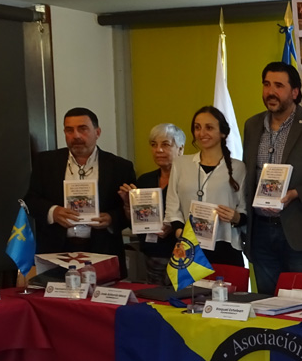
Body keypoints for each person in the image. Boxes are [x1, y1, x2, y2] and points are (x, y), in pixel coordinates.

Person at [242, 61, 302, 294]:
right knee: (266, 302)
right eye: (266, 84)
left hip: (300, 232)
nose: (270, 91)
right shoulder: (252, 125)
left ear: (295, 92)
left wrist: (298, 193)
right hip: (260, 232)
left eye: (279, 86)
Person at [26, 107, 136, 278]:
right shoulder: (46, 162)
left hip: (102, 250)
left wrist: (111, 218)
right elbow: (31, 200)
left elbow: (130, 210)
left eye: (83, 129)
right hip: (56, 251)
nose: (76, 135)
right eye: (69, 130)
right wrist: (53, 212)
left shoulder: (120, 166)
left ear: (97, 132)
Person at [164, 106, 247, 266]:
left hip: (226, 246)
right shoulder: (181, 164)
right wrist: (180, 232)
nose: (202, 133)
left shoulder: (238, 167)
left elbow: (244, 210)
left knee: (227, 283)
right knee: (188, 284)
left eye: (209, 128)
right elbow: (172, 206)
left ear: (223, 133)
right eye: (197, 127)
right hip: (189, 246)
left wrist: (236, 217)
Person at [118, 123, 184, 285]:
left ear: (180, 149)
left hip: (182, 257)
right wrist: (128, 204)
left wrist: (173, 225)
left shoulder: (189, 182)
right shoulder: (145, 180)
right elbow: (134, 224)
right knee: (152, 297)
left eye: (166, 145)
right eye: (154, 145)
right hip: (151, 255)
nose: (158, 150)